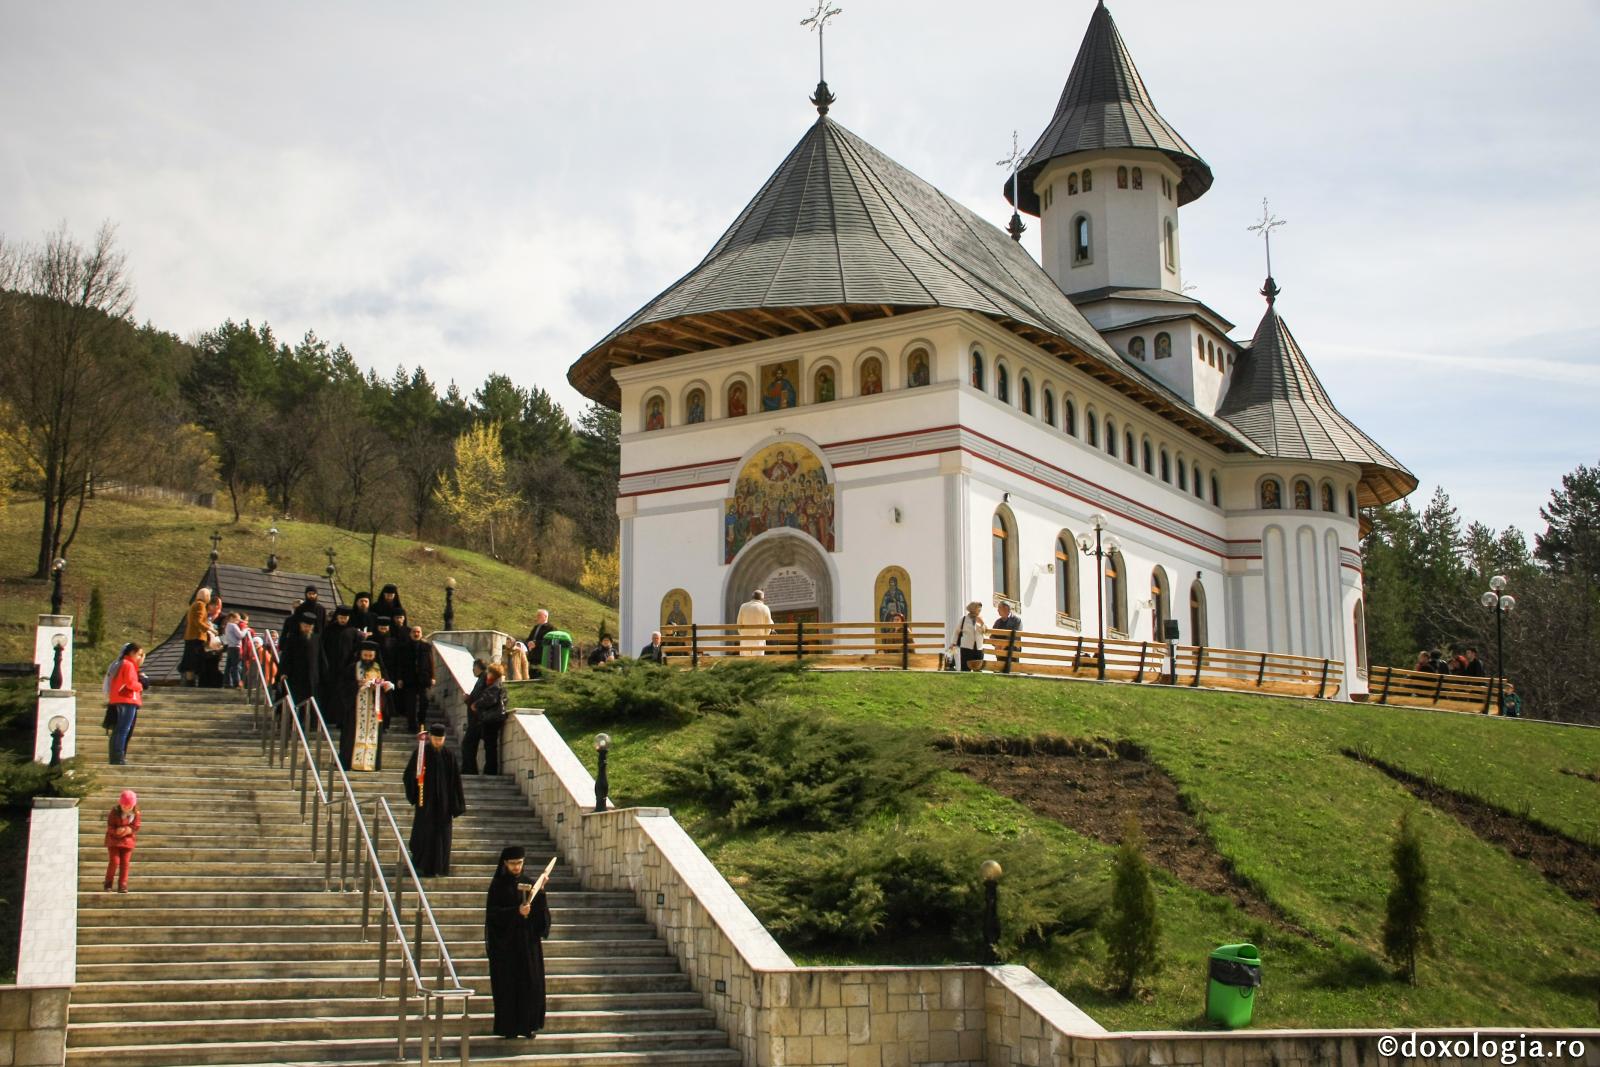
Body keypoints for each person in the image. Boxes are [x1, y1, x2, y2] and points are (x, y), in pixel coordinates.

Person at [484, 845, 551, 1039]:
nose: (516, 867)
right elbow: (493, 915)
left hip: (528, 944)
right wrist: (516, 912)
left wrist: (541, 893)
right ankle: (509, 1028)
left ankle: (528, 1025)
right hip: (506, 947)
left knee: (530, 984)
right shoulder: (498, 886)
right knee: (508, 987)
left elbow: (540, 918)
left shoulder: (529, 883)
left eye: (519, 863)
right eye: (512, 863)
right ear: (505, 863)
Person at [405, 723, 466, 876]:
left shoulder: (449, 755)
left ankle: (440, 868)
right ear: (430, 738)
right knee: (424, 833)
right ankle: (422, 865)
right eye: (435, 739)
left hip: (444, 804)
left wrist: (456, 803)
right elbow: (408, 774)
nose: (438, 742)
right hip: (425, 802)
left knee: (442, 836)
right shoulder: (421, 753)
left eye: (441, 739)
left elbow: (455, 781)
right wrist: (416, 778)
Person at [339, 640, 393, 771]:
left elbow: (386, 687)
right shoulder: (353, 668)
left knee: (372, 735)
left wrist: (383, 687)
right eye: (365, 655)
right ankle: (349, 763)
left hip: (374, 709)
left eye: (370, 656)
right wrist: (357, 684)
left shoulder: (380, 669)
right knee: (351, 736)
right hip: (355, 709)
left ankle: (370, 764)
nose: (368, 658)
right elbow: (343, 686)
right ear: (360, 655)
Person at [278, 613, 326, 716]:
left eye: (309, 626)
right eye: (305, 626)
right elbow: (286, 656)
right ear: (300, 625)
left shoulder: (316, 638)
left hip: (312, 676)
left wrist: (323, 673)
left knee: (312, 700)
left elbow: (321, 657)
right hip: (295, 676)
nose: (306, 628)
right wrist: (284, 672)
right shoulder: (292, 638)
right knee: (295, 699)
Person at [464, 663, 509, 775]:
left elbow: (490, 699)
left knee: (490, 746)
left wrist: (476, 704)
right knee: (489, 746)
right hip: (491, 719)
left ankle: (490, 771)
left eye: (489, 672)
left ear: (493, 673)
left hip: (492, 720)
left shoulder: (495, 685)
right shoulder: (494, 684)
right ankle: (489, 770)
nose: (487, 674)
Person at [107, 643, 145, 765]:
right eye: (139, 654)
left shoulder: (120, 663)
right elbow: (130, 683)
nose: (140, 657)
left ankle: (114, 756)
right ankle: (118, 756)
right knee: (123, 729)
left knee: (118, 729)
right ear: (132, 653)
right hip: (128, 699)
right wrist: (140, 686)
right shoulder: (128, 664)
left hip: (118, 698)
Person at [398, 624, 437, 733]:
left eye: (418, 632)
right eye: (414, 632)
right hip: (409, 679)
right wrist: (400, 678)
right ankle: (411, 725)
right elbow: (400, 664)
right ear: (410, 634)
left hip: (423, 678)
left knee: (424, 702)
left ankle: (421, 722)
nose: (416, 634)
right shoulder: (404, 647)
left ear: (421, 634)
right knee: (410, 704)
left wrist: (433, 676)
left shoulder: (426, 647)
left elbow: (431, 662)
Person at [105, 789, 141, 893]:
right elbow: (110, 826)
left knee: (125, 863)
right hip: (114, 841)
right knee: (114, 861)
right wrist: (116, 831)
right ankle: (108, 882)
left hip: (127, 841)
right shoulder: (114, 812)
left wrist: (129, 829)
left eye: (129, 806)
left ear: (133, 805)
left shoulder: (136, 814)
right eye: (124, 806)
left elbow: (136, 826)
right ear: (120, 804)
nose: (126, 808)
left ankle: (123, 884)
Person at [179, 588, 213, 687]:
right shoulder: (200, 605)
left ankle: (189, 682)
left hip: (190, 637)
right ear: (206, 596)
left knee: (190, 662)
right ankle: (192, 683)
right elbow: (198, 621)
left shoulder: (194, 604)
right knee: (195, 662)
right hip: (196, 637)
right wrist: (209, 629)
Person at [950, 601, 988, 672]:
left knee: (978, 670)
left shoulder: (981, 619)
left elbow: (987, 633)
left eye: (980, 608)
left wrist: (982, 623)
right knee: (965, 669)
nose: (980, 610)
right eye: (978, 608)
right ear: (972, 608)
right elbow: (956, 632)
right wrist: (953, 643)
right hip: (966, 648)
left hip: (979, 648)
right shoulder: (963, 619)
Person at [736, 590, 774, 656]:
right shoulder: (765, 608)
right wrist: (764, 637)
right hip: (759, 640)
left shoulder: (743, 606)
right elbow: (768, 627)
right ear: (762, 599)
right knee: (758, 660)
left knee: (744, 661)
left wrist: (743, 634)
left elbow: (739, 624)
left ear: (752, 597)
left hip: (745, 640)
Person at [221, 613, 245, 688]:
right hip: (236, 647)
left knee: (228, 666)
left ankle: (227, 682)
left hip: (230, 647)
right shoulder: (233, 625)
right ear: (231, 618)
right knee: (235, 666)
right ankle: (236, 682)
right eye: (237, 619)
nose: (238, 621)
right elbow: (240, 635)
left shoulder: (227, 626)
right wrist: (245, 630)